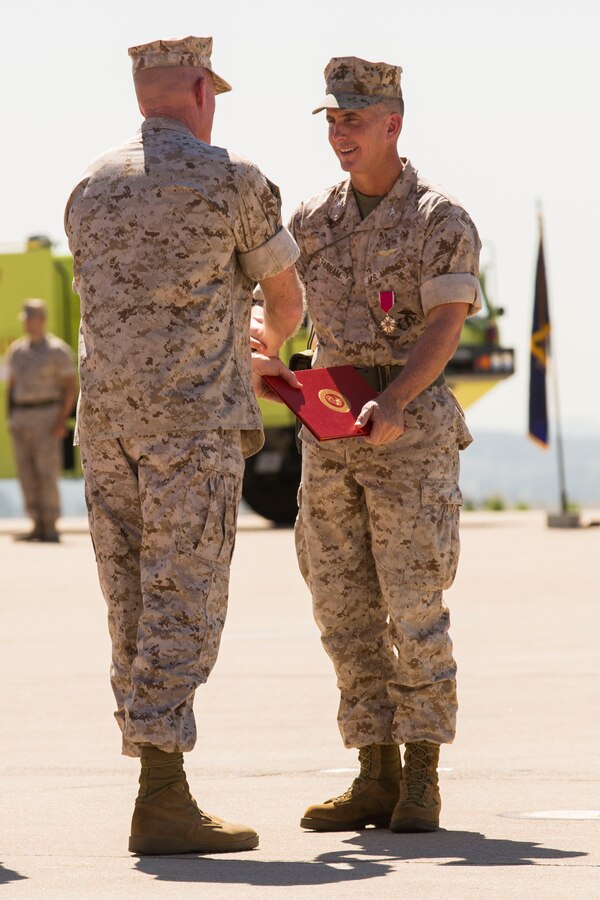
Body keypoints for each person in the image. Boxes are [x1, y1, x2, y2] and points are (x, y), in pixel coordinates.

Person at [64, 35, 304, 855]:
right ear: (200, 89)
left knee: (129, 600)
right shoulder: (232, 178)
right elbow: (285, 295)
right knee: (183, 597)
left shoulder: (88, 188)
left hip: (106, 427)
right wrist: (267, 342)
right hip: (191, 425)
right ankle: (163, 794)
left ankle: (153, 777)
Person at [290, 57, 482, 834]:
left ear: (392, 124)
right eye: (332, 120)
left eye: (354, 120)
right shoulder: (311, 221)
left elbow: (446, 323)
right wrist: (274, 356)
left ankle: (423, 775)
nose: (340, 133)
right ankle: (373, 771)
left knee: (414, 604)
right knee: (342, 606)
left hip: (407, 436)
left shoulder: (441, 220)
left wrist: (397, 397)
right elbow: (284, 309)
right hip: (332, 435)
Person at [6, 298, 77, 542]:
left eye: (31, 318)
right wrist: (10, 417)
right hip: (22, 418)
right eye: (25, 318)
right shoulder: (16, 350)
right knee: (26, 473)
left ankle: (50, 526)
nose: (27, 323)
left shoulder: (57, 351)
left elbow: (70, 388)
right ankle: (35, 523)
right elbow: (11, 387)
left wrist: (61, 421)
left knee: (47, 473)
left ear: (42, 320)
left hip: (47, 416)